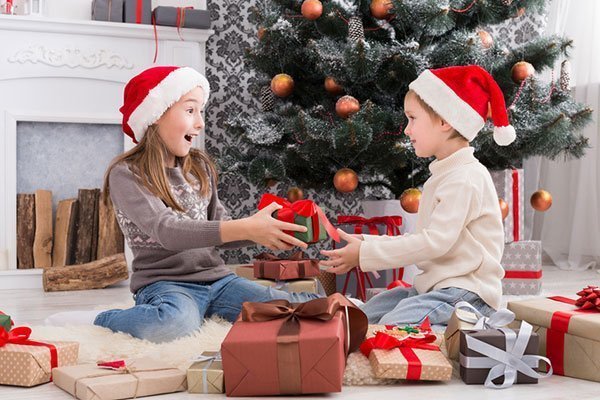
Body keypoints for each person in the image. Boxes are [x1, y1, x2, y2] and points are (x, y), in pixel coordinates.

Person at [46, 66, 320, 342]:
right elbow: (167, 231)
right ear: (155, 116)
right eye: (190, 111)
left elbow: (220, 232)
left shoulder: (200, 167)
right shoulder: (127, 174)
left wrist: (261, 230)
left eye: (200, 111)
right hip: (165, 283)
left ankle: (354, 309)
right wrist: (247, 228)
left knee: (290, 306)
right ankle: (100, 320)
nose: (200, 123)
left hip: (219, 281)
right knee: (173, 325)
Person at [321, 65, 516, 326]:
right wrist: (367, 243)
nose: (406, 130)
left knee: (389, 328)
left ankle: (470, 326)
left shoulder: (464, 178)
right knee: (366, 315)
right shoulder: (445, 173)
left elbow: (434, 243)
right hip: (436, 289)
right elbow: (423, 239)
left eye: (412, 118)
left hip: (466, 293)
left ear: (445, 121)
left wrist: (366, 254)